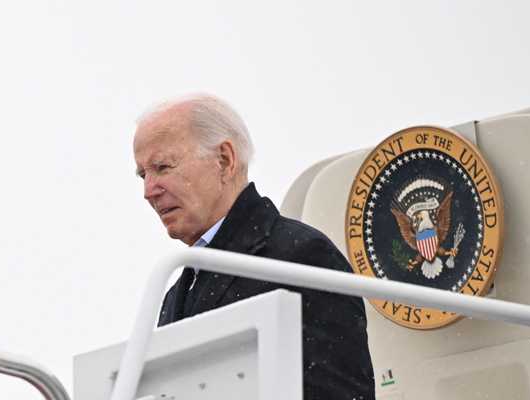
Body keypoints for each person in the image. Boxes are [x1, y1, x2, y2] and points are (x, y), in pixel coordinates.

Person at [133, 92, 375, 399]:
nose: (148, 190)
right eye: (143, 174)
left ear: (224, 161)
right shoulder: (174, 295)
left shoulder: (300, 257)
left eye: (163, 167)